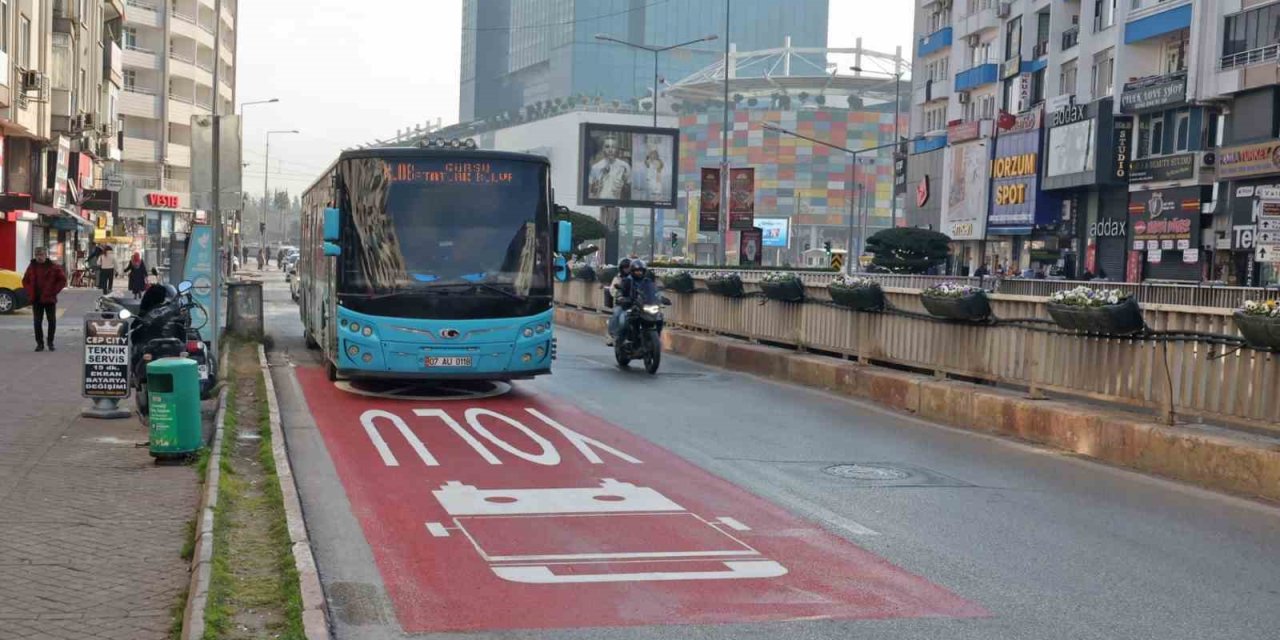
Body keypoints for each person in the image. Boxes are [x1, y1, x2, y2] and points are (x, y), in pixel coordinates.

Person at [22, 247, 67, 352]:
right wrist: (30, 292)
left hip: (49, 299)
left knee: (51, 321)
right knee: (37, 322)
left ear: (46, 255)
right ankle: (40, 344)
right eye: (37, 255)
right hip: (36, 299)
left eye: (41, 254)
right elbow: (25, 280)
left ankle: (50, 342)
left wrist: (54, 291)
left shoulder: (53, 267)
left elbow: (62, 280)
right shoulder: (32, 266)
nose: (39, 257)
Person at [588, 135, 631, 200]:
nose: (610, 150)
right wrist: (594, 189)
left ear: (617, 149)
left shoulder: (625, 166)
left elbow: (629, 190)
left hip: (619, 204)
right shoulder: (595, 167)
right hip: (599, 204)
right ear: (603, 149)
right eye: (607, 147)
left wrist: (623, 188)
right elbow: (590, 191)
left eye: (613, 147)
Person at [605, 258, 632, 346]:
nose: (627, 269)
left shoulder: (635, 278)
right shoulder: (618, 278)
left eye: (628, 267)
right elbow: (612, 290)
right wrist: (619, 296)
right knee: (617, 313)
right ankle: (612, 334)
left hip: (634, 302)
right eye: (625, 267)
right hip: (622, 303)